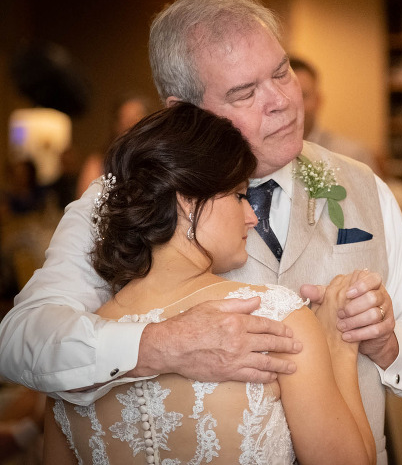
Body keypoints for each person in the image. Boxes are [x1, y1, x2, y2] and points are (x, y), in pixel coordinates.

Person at [0, 0, 402, 465]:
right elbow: (19, 341)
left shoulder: (364, 187)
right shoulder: (124, 200)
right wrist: (160, 346)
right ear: (183, 110)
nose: (280, 101)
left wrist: (389, 344)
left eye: (282, 73)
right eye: (245, 92)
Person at [42, 102, 375, 464]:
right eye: (238, 195)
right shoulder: (274, 321)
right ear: (186, 200)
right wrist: (338, 346)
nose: (251, 217)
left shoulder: (72, 357)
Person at [291, 56, 382, 177]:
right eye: (288, 97)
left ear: (318, 101)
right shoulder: (263, 161)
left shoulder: (352, 156)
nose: (294, 106)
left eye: (303, 96)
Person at [76, 92, 152, 197]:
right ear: (116, 126)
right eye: (127, 121)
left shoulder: (158, 161)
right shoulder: (98, 162)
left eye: (137, 119)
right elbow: (84, 207)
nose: (132, 126)